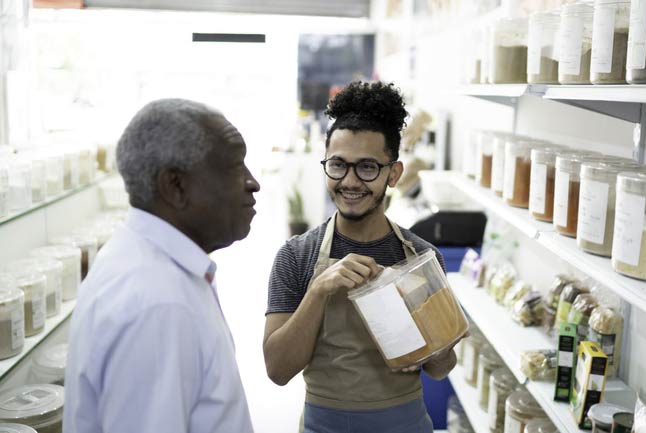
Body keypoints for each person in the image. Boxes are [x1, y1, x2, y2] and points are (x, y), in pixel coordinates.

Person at [264, 81, 458, 433]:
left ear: (394, 174)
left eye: (367, 167)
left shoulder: (421, 258)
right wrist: (319, 290)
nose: (350, 181)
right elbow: (277, 370)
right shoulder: (297, 256)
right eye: (338, 165)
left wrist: (438, 344)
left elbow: (440, 368)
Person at [64, 99, 260, 433]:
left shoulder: (150, 263)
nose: (253, 182)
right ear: (175, 186)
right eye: (234, 167)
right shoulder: (157, 305)